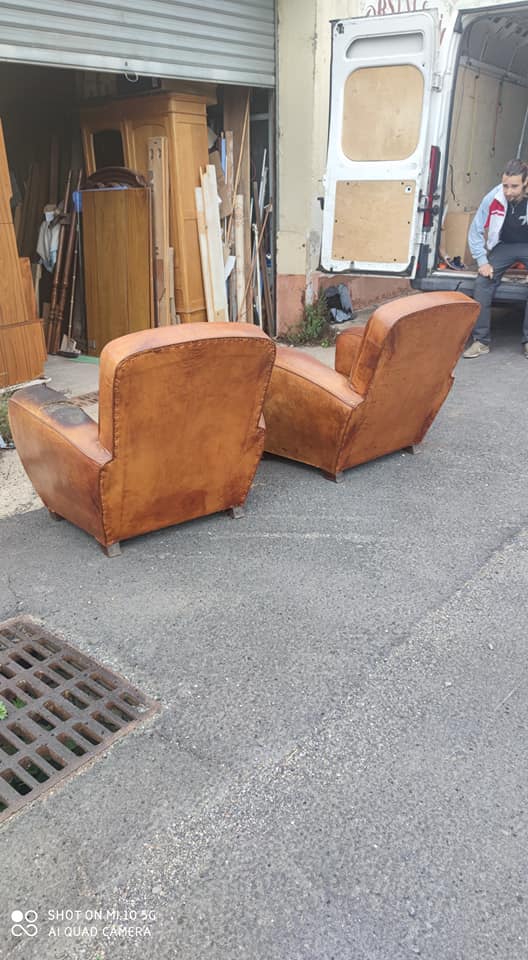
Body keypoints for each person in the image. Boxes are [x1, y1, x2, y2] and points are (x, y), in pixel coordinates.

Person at [463, 158, 528, 358]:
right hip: (503, 246)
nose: (508, 191)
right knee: (483, 282)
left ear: (526, 182)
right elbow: (475, 231)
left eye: (514, 187)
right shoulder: (493, 197)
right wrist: (482, 262)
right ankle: (481, 341)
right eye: (505, 185)